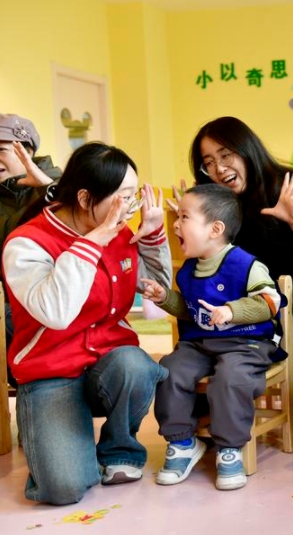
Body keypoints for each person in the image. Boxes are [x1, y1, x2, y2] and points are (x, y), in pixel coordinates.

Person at [2, 141, 171, 505]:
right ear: (84, 198)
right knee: (63, 488)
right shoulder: (25, 244)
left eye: (134, 196)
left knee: (137, 366)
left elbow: (160, 290)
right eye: (123, 197)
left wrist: (154, 234)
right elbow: (57, 313)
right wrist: (93, 241)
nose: (130, 208)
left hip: (107, 364)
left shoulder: (121, 232)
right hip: (50, 372)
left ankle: (119, 450)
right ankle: (62, 445)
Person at [142, 183, 285, 491]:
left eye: (184, 217)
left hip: (246, 344)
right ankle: (182, 443)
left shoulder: (245, 264)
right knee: (169, 370)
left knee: (231, 378)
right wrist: (165, 297)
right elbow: (190, 310)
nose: (176, 224)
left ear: (215, 229)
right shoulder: (189, 269)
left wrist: (232, 311)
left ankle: (230, 449)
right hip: (200, 343)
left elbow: (270, 301)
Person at [182, 116, 293, 367]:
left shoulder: (289, 187)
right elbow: (205, 274)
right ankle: (204, 398)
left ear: (246, 150)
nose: (219, 169)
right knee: (195, 294)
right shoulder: (215, 206)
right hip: (245, 314)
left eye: (226, 155)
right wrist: (192, 224)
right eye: (209, 163)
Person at [0, 113, 62, 386]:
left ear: (28, 150)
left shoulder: (62, 186)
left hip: (50, 300)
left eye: (1, 150)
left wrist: (47, 189)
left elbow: (83, 224)